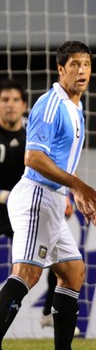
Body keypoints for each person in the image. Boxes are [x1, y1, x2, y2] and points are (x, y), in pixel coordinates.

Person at [0, 41, 96, 350]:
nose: (82, 70)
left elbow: (60, 159)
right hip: (35, 196)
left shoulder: (75, 106)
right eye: (74, 64)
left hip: (53, 200)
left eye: (86, 64)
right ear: (61, 70)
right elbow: (34, 158)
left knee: (73, 271)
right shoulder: (50, 104)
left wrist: (72, 191)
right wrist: (78, 184)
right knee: (28, 272)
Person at [0, 79, 27, 240]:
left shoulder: (33, 136)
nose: (10, 105)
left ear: (24, 105)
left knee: (54, 259)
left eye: (16, 100)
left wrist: (64, 195)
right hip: (5, 200)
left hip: (21, 208)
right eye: (4, 100)